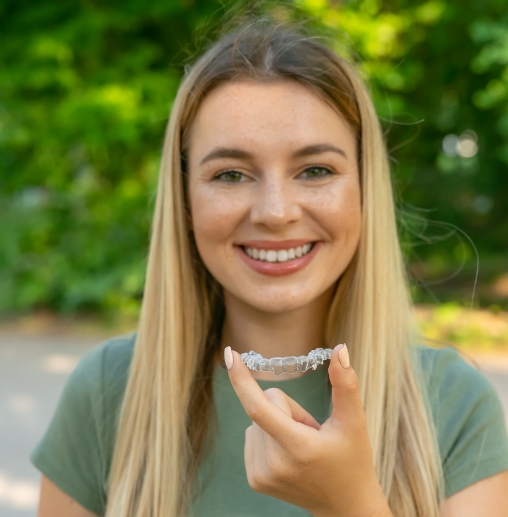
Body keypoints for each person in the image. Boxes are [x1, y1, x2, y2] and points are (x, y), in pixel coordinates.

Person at [32, 20, 508, 517]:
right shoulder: (109, 391)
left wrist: (351, 504)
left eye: (316, 170)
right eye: (231, 174)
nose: (275, 211)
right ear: (185, 200)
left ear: (365, 187)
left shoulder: (452, 405)